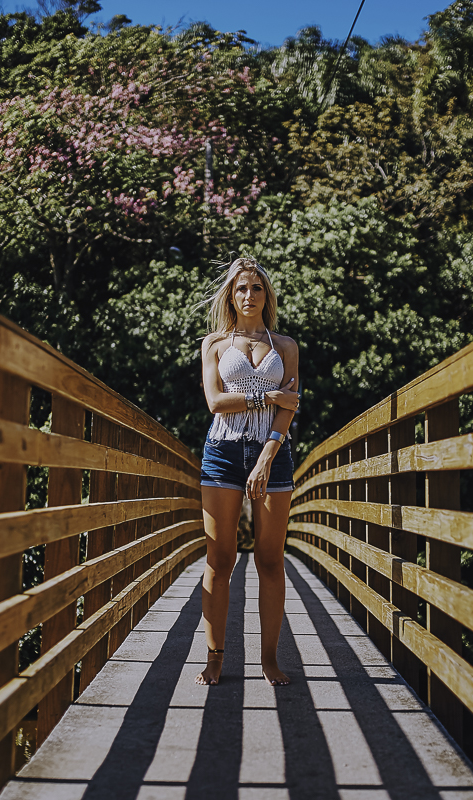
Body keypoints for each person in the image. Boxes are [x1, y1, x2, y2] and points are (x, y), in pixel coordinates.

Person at [195, 256, 300, 686]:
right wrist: (266, 397)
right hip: (222, 452)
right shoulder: (214, 344)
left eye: (257, 288)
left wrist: (266, 456)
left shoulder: (287, 347)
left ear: (266, 295)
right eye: (241, 288)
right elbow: (216, 402)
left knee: (270, 560)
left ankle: (269, 660)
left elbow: (290, 407)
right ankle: (215, 656)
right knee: (220, 560)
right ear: (231, 295)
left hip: (272, 455)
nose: (249, 296)